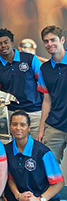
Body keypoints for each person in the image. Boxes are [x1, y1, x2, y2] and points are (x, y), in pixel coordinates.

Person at [0, 28, 42, 139]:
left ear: (12, 43)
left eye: (6, 42)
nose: (3, 46)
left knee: (37, 147)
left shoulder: (30, 59)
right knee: (14, 148)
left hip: (35, 111)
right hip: (11, 112)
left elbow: (44, 86)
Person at [5, 110, 64, 201]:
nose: (18, 128)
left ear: (28, 128)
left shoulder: (42, 151)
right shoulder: (6, 150)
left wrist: (40, 200)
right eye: (14, 124)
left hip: (44, 199)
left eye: (22, 125)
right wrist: (18, 195)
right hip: (20, 199)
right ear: (10, 127)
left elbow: (59, 183)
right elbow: (9, 177)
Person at [37, 25, 67, 165]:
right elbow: (46, 100)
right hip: (55, 125)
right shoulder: (44, 69)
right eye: (46, 41)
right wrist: (41, 130)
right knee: (48, 166)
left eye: (53, 40)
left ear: (62, 40)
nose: (49, 44)